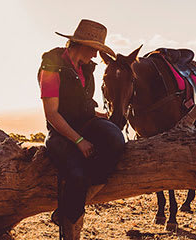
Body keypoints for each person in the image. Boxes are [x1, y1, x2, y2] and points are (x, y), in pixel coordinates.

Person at [37, 19, 125, 239]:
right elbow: (52, 114)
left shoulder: (86, 67)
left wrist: (99, 115)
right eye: (94, 49)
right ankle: (70, 216)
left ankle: (72, 205)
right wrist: (79, 141)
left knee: (116, 139)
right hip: (60, 132)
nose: (95, 56)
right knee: (77, 175)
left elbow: (81, 104)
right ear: (81, 44)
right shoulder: (51, 67)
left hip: (85, 123)